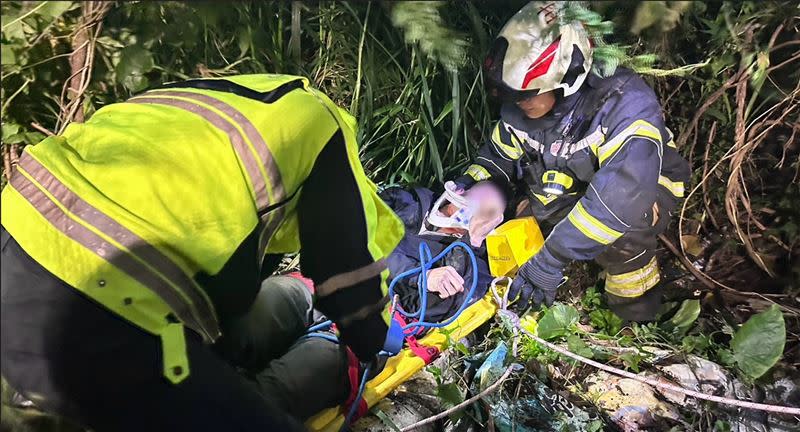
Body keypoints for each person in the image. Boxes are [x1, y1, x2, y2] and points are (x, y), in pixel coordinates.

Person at [0, 74, 404, 431]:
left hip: (15, 235)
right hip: (103, 301)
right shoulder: (320, 126)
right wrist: (373, 339)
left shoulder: (203, 101)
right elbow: (346, 275)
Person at [450, 1, 690, 321]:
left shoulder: (623, 103)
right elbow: (497, 158)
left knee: (626, 228)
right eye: (513, 95)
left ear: (567, 75)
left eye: (528, 93)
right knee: (504, 219)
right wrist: (471, 192)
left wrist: (551, 259)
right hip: (560, 187)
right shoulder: (524, 105)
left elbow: (619, 197)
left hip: (637, 194)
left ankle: (634, 318)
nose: (519, 103)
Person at [380, 181, 507, 324]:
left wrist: (471, 241)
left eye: (486, 214)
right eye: (475, 198)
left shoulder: (471, 268)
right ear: (459, 191)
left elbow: (424, 310)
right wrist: (421, 276)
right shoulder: (403, 199)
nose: (475, 211)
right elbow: (364, 238)